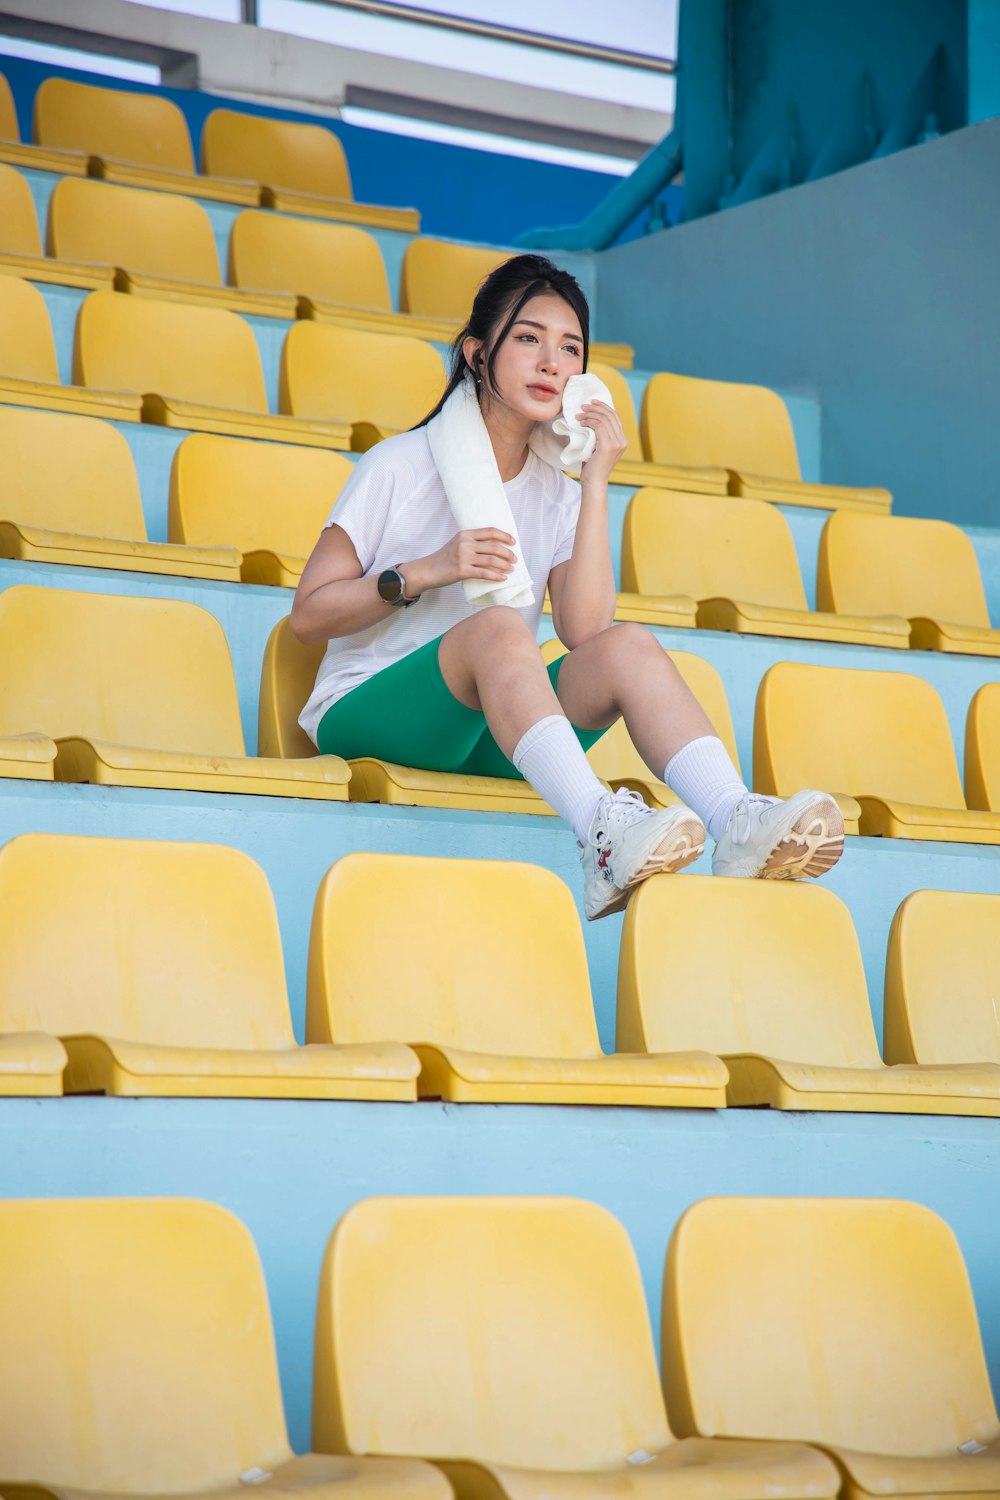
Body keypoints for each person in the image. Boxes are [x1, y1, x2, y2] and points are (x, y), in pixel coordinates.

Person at [292, 253, 843, 920]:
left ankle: (736, 819)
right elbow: (308, 615)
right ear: (476, 353)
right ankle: (601, 835)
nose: (553, 361)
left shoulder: (555, 487)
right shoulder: (398, 466)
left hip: (486, 730)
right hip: (369, 717)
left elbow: (585, 631)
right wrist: (424, 571)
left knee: (628, 646)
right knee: (498, 627)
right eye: (528, 339)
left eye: (570, 347)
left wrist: (596, 480)